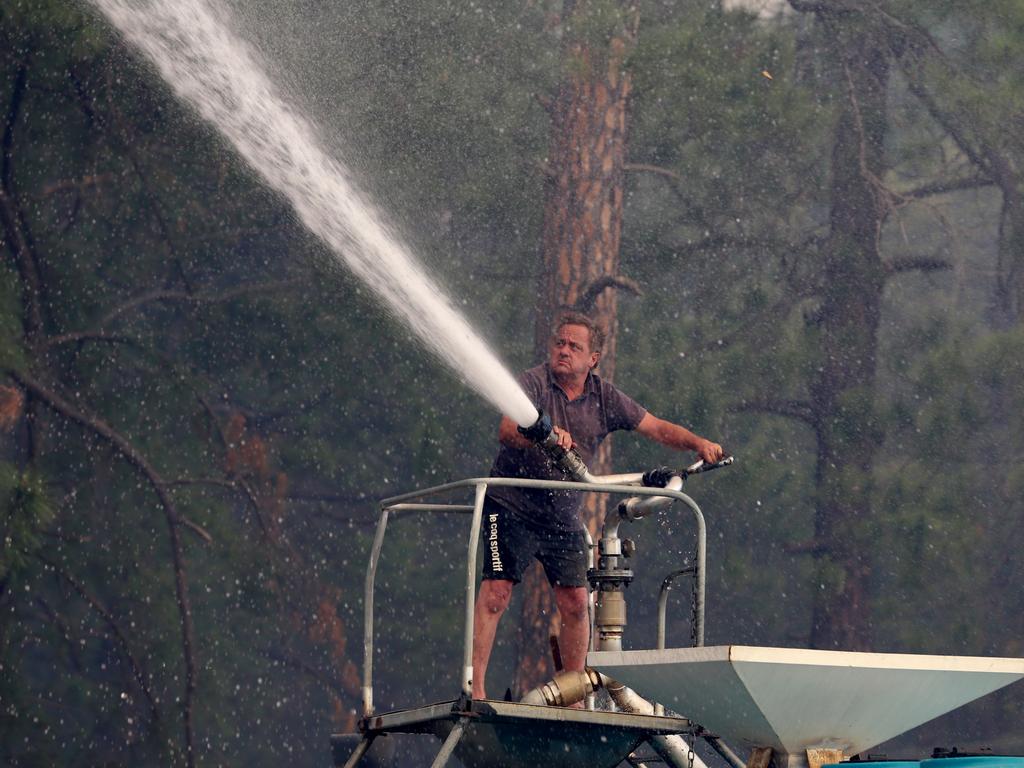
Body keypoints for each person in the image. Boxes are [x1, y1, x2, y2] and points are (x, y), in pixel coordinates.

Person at [471, 311, 724, 700]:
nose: (563, 351)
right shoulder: (533, 382)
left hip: (561, 515)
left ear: (593, 359)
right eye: (559, 343)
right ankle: (476, 691)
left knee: (575, 602)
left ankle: (571, 693)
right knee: (496, 594)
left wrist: (697, 444)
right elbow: (506, 430)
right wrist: (541, 435)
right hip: (511, 505)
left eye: (574, 346)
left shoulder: (605, 397)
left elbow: (656, 427)